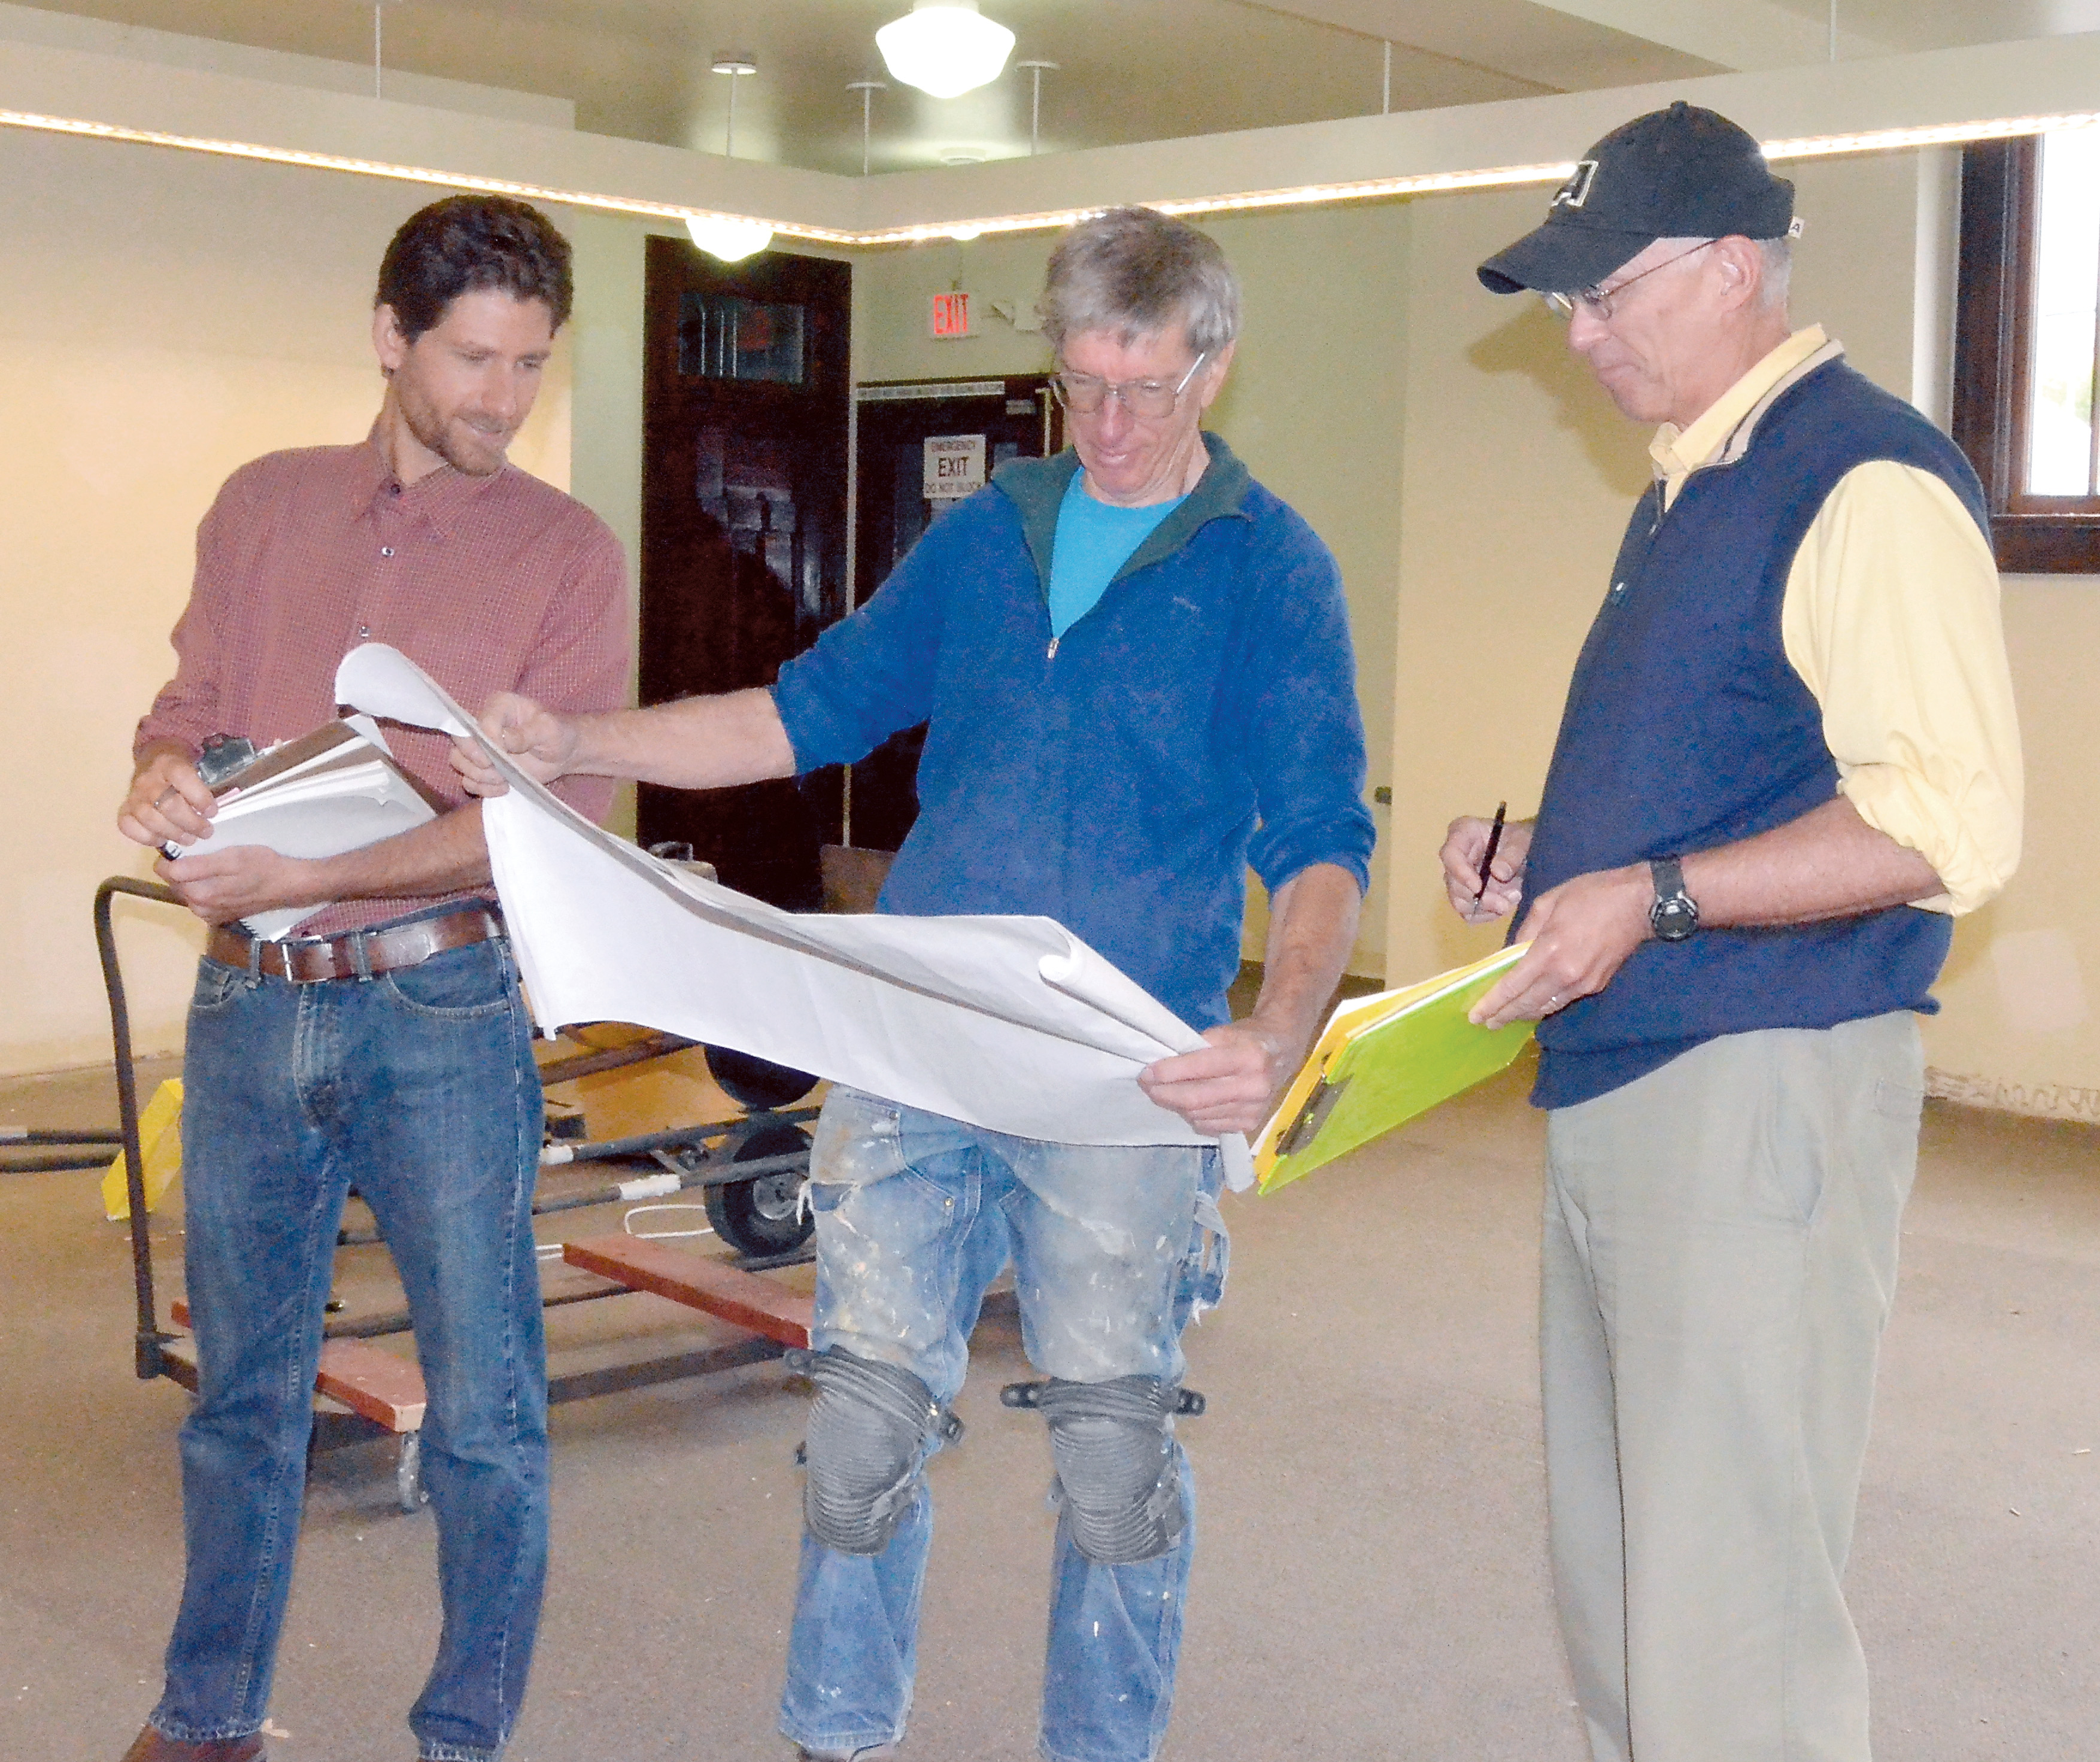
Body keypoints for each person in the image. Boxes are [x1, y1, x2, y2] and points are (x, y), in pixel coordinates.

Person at [456, 206, 1374, 1762]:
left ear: (1212, 368)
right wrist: (576, 741)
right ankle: (835, 1734)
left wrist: (1279, 1024)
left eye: (1145, 387)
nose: (1113, 425)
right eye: (1084, 384)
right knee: (860, 1427)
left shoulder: (1270, 569)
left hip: (1119, 1080)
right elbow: (803, 713)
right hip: (916, 1048)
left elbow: (1319, 834)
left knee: (1110, 1454)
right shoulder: (989, 534)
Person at [1441, 104, 2022, 1762]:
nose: (1573, 332)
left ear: (1722, 266)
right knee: (1627, 1593)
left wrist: (1658, 894)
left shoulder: (1864, 478)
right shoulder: (1692, 485)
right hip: (1635, 1082)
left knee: (1727, 1613)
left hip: (1756, 1092)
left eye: (1599, 293)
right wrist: (1561, 859)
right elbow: (1744, 776)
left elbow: (1944, 824)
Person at [114, 195, 630, 1762]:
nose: (501, 397)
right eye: (474, 358)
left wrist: (321, 875)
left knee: (487, 1425)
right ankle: (208, 1720)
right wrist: (161, 775)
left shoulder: (566, 551)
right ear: (390, 339)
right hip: (249, 1008)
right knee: (240, 1406)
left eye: (530, 364)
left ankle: (462, 1738)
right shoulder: (262, 504)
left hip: (443, 1013)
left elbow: (551, 826)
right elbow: (190, 702)